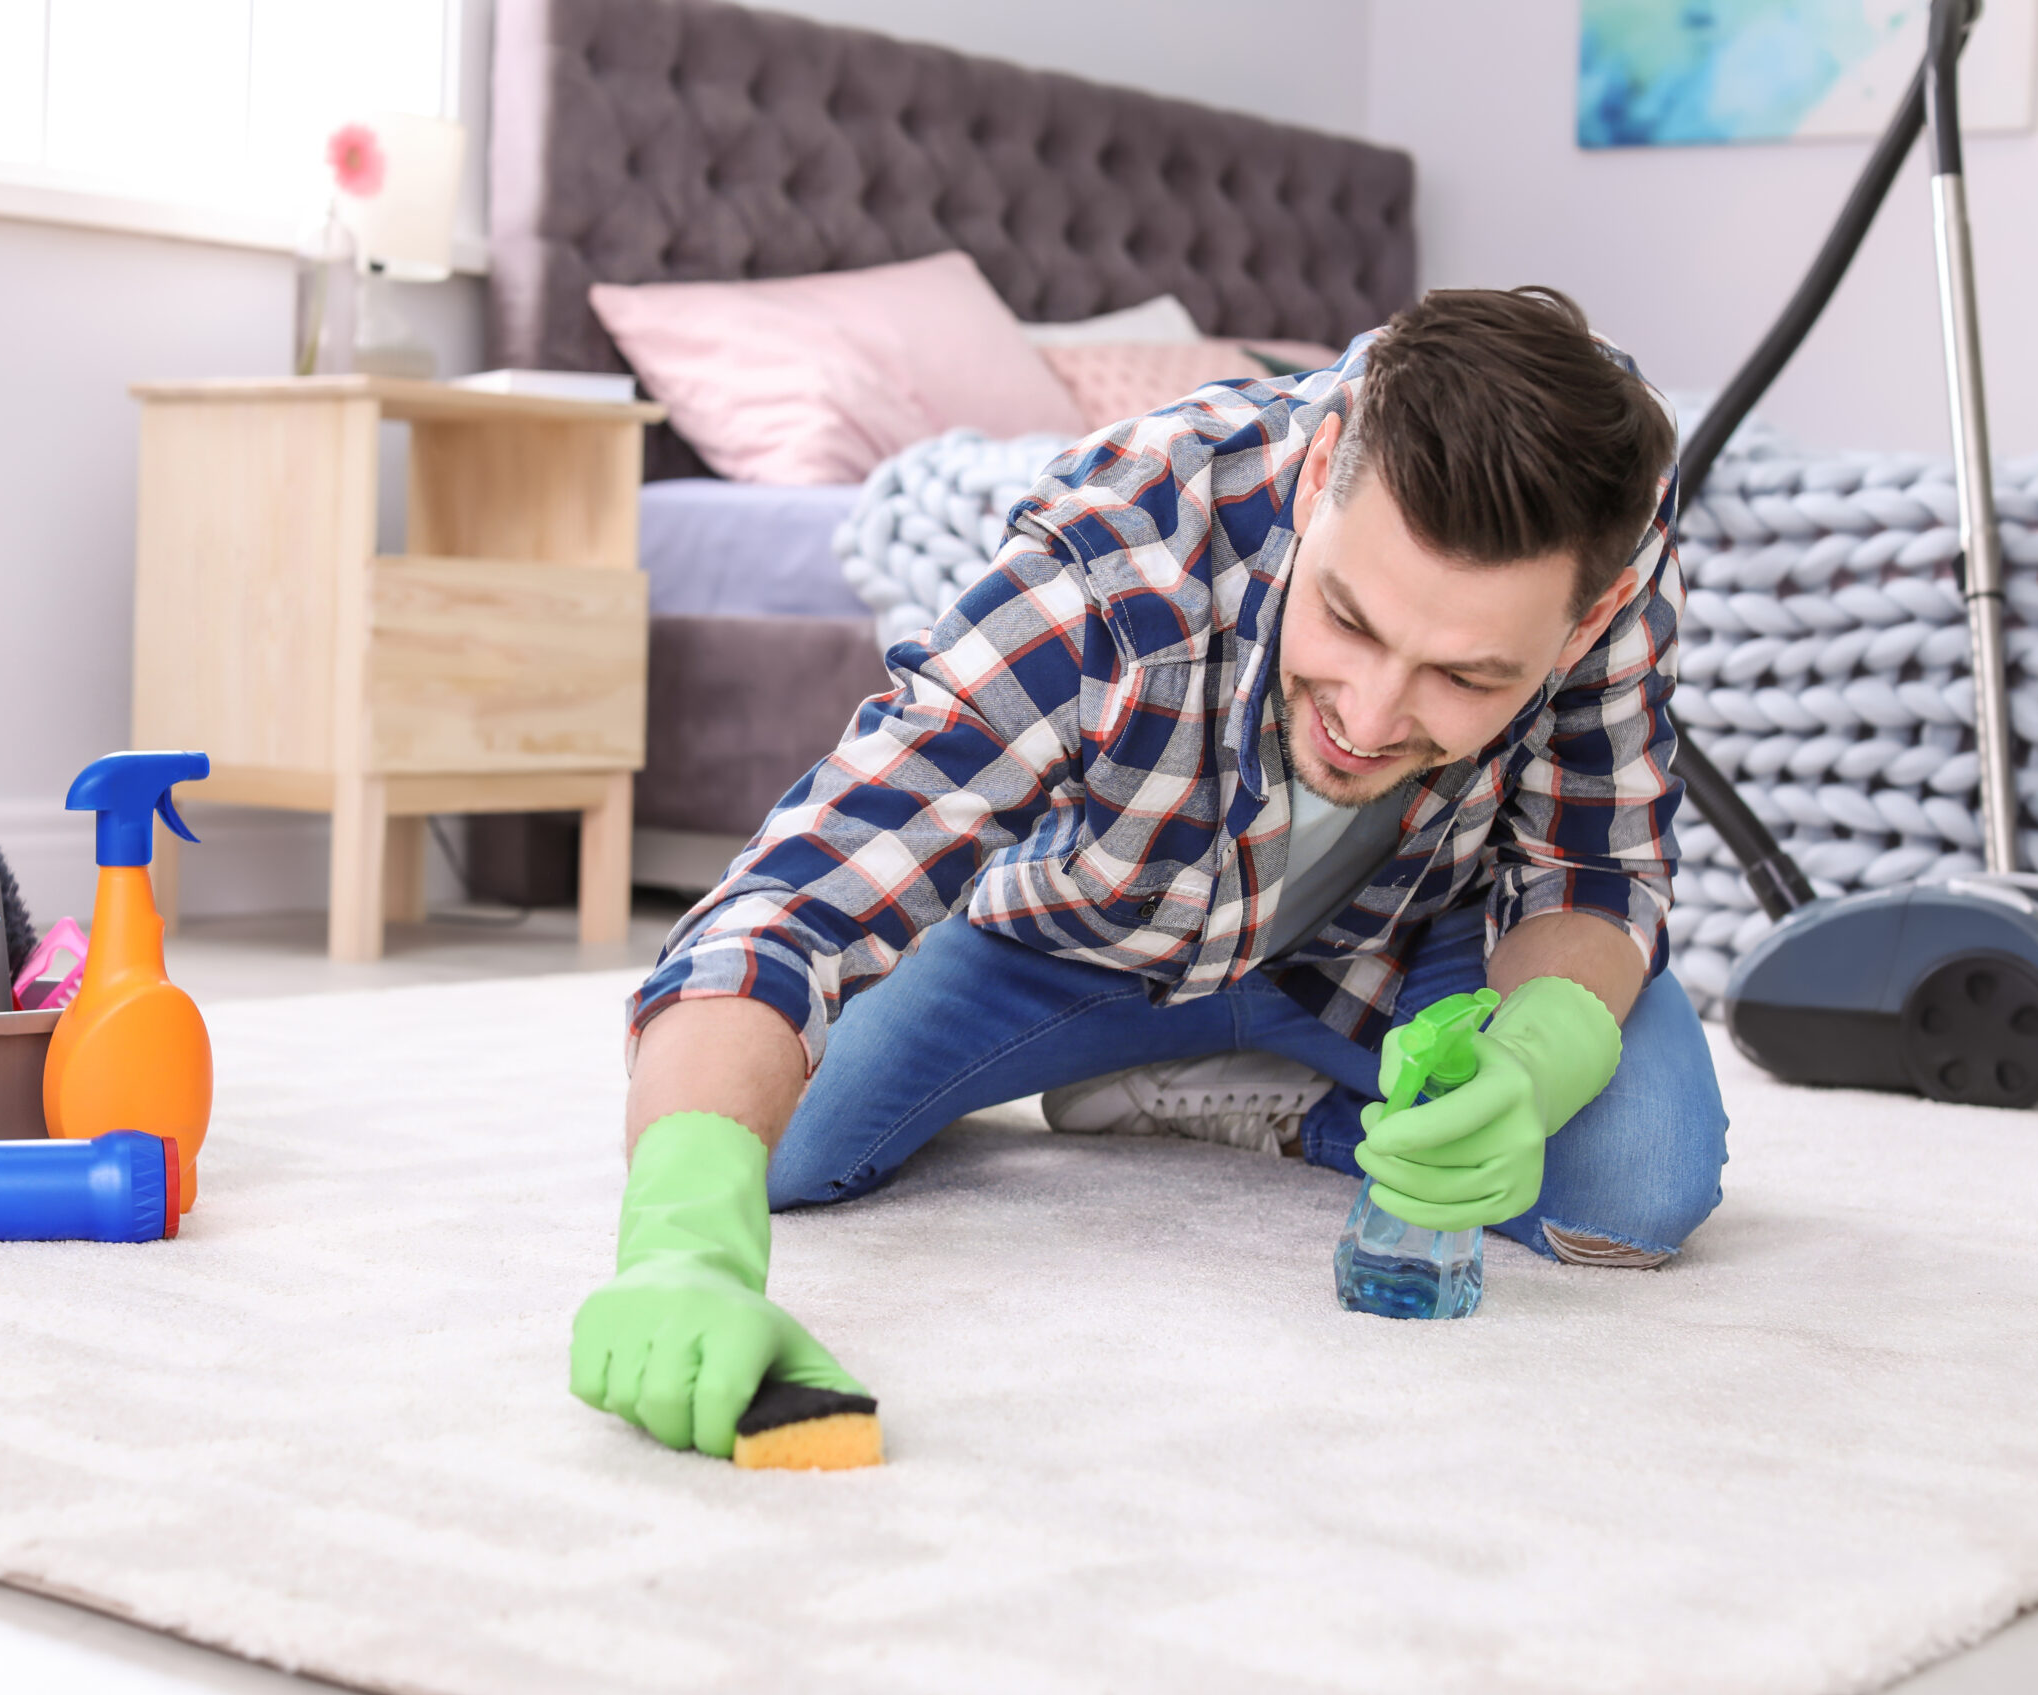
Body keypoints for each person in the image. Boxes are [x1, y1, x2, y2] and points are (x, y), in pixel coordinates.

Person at [571, 287, 1729, 1459]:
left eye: (1466, 679)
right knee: (785, 1142)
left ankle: (1260, 1098)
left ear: (1577, 630)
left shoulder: (1608, 547)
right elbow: (799, 892)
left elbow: (1593, 865)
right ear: (1322, 464)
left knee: (1629, 1184)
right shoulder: (1122, 546)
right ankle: (1174, 1052)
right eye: (1349, 620)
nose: (1373, 718)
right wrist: (681, 1245)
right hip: (1090, 936)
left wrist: (1529, 1067)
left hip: (1399, 946)